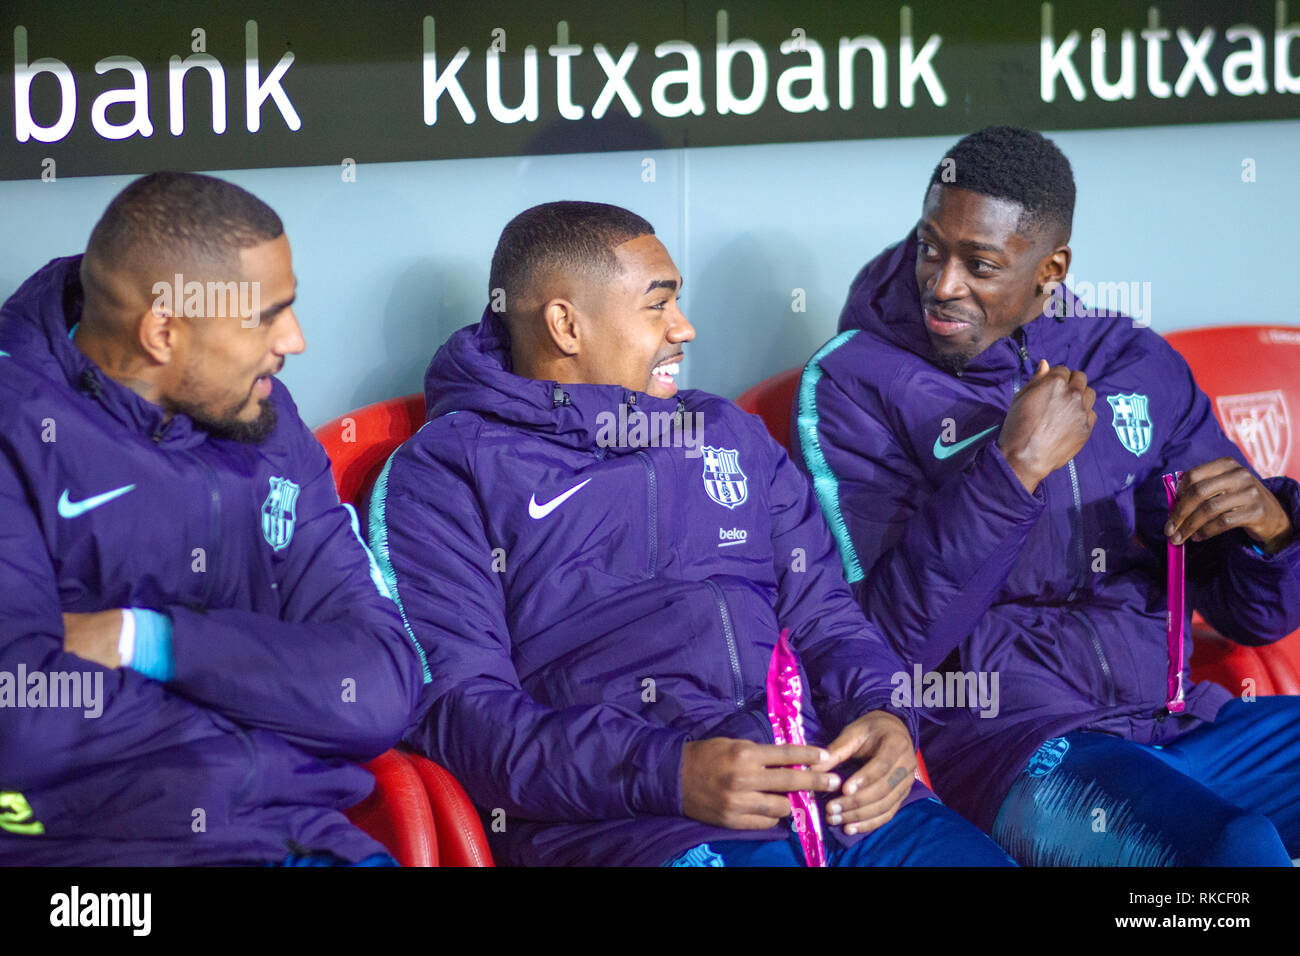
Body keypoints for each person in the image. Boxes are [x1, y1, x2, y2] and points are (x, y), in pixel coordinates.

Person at [368, 200, 1014, 866]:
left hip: (836, 798)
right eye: (658, 306)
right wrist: (671, 774)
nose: (686, 328)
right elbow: (462, 716)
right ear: (565, 325)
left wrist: (883, 715)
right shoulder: (444, 474)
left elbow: (830, 624)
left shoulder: (726, 433)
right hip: (641, 827)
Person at [795, 126, 1300, 865]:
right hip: (1016, 746)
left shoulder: (1132, 360)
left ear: (1051, 268)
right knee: (1232, 853)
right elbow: (878, 639)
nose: (942, 284)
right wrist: (1011, 471)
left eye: (981, 264)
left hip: (1180, 722)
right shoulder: (854, 384)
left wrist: (1274, 534)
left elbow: (1250, 617)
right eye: (931, 247)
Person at [0, 172, 426, 865]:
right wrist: (277, 697)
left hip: (305, 844)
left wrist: (150, 642)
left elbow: (379, 691)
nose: (296, 340)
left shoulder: (270, 423)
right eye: (266, 316)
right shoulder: (18, 429)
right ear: (163, 332)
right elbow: (22, 722)